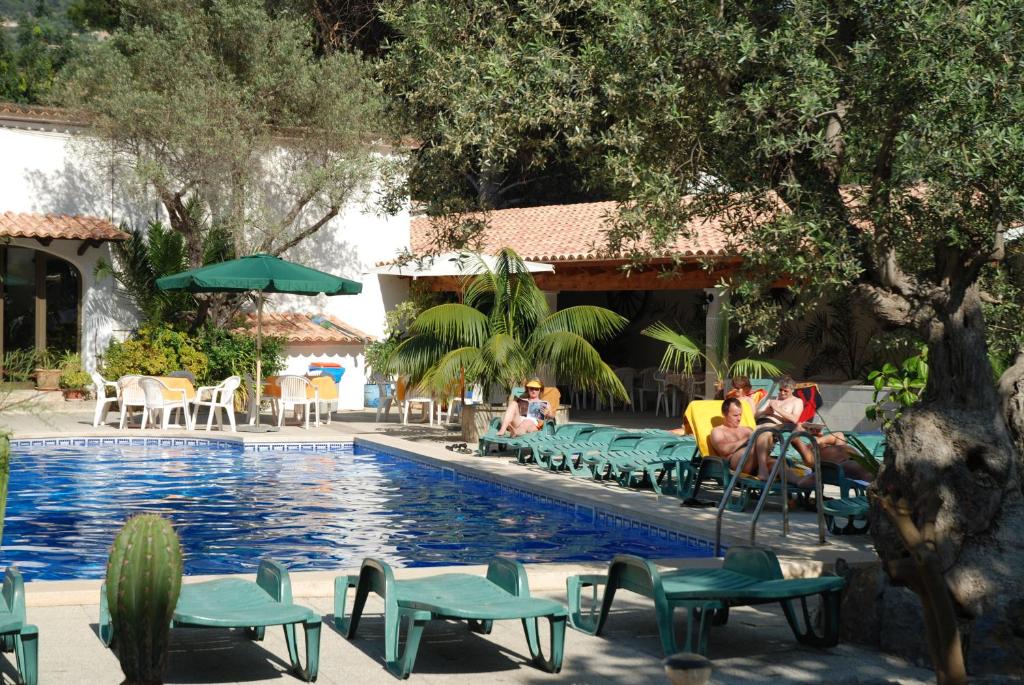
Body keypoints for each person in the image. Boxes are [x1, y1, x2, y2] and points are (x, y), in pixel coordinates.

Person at [709, 397, 806, 485]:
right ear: (724, 414)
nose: (739, 419)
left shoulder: (746, 429)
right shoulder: (718, 431)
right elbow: (723, 450)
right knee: (762, 432)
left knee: (777, 463)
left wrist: (771, 441)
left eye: (740, 415)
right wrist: (748, 439)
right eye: (735, 415)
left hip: (756, 463)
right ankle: (763, 471)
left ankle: (799, 481)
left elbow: (762, 446)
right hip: (736, 463)